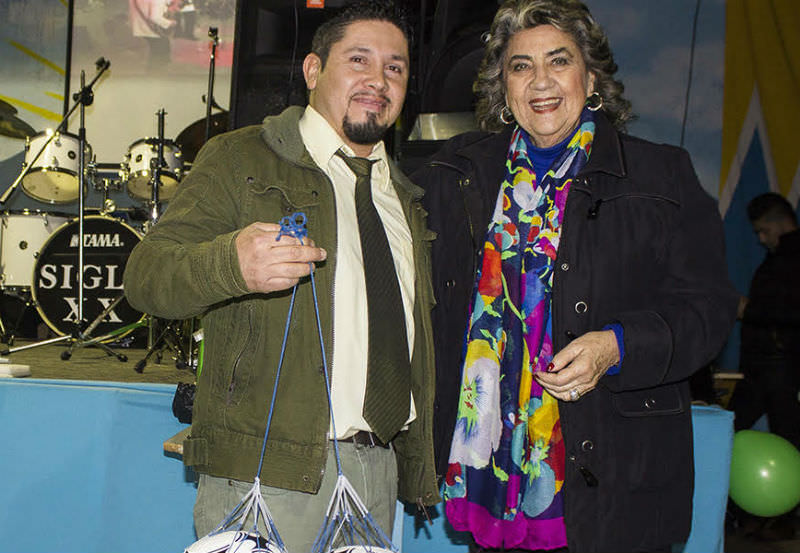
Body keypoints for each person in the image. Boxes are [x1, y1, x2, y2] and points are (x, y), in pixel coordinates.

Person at [411, 1, 738, 551]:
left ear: (591, 80)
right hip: (490, 467)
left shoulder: (662, 174)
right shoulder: (457, 174)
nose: (540, 81)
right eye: (520, 66)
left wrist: (618, 346)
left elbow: (708, 308)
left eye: (559, 61)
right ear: (503, 88)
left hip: (614, 473)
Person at [123, 2, 440, 551]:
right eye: (359, 59)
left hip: (375, 472)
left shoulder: (406, 198)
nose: (378, 79)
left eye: (395, 67)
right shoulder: (240, 158)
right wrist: (231, 264)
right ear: (314, 70)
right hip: (265, 475)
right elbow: (145, 277)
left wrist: (412, 465)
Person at [729, 192, 800, 449]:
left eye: (764, 231)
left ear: (782, 222)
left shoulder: (789, 259)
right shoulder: (779, 258)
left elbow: (791, 310)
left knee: (787, 437)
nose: (761, 239)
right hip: (767, 369)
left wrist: (749, 309)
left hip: (780, 368)